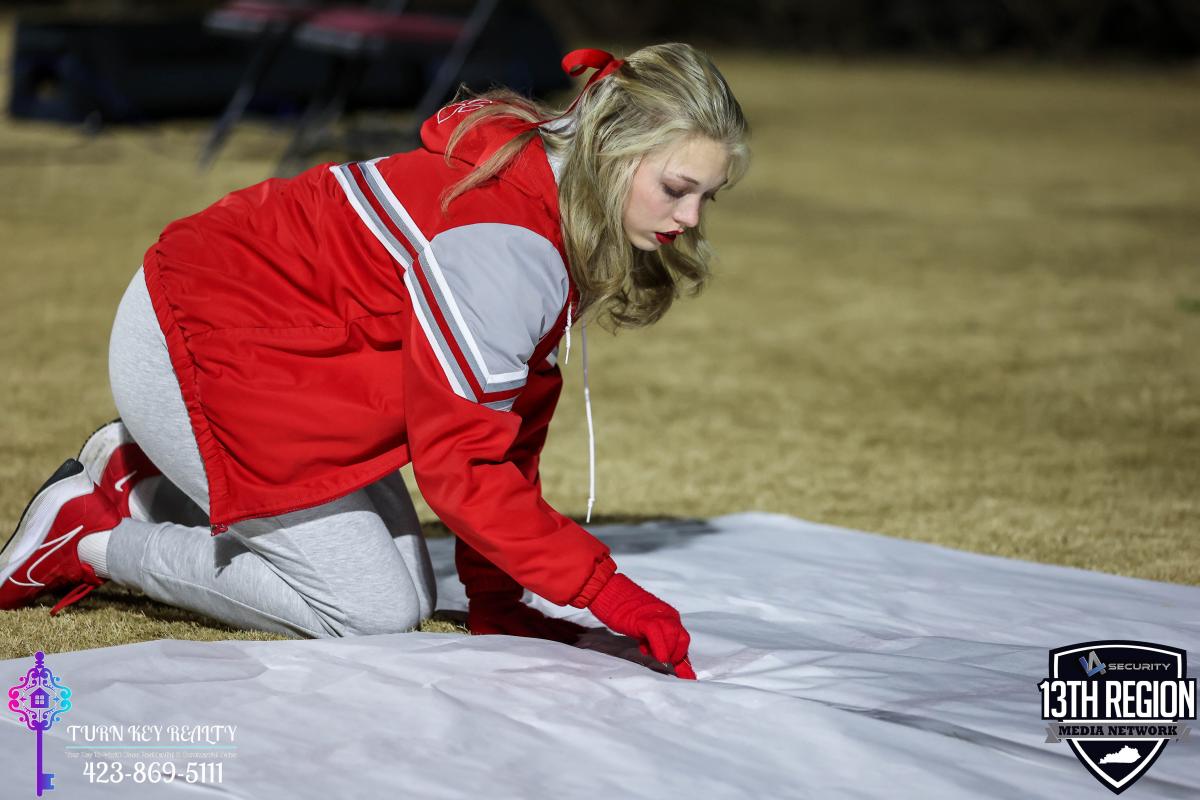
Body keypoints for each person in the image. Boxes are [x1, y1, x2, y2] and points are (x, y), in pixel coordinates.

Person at [0, 43, 749, 680]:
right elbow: (463, 470)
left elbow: (504, 425)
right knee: (370, 613)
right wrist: (607, 593)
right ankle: (91, 535)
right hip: (197, 340)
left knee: (412, 595)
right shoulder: (507, 242)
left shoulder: (545, 191)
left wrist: (497, 599)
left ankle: (141, 478)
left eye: (705, 198)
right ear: (608, 150)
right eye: (676, 189)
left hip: (281, 356)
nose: (688, 220)